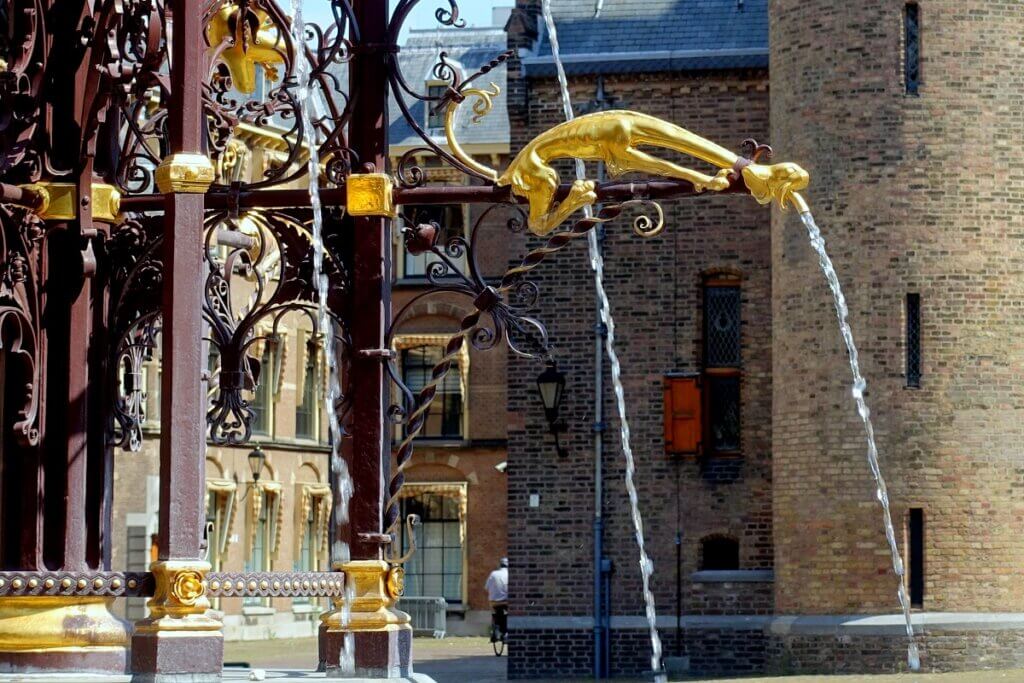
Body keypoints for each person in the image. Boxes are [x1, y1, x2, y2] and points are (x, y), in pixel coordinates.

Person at [485, 558, 508, 644]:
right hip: (506, 602)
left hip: (494, 602)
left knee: (494, 613)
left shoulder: (493, 574)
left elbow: (486, 587)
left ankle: (494, 630)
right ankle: (506, 633)